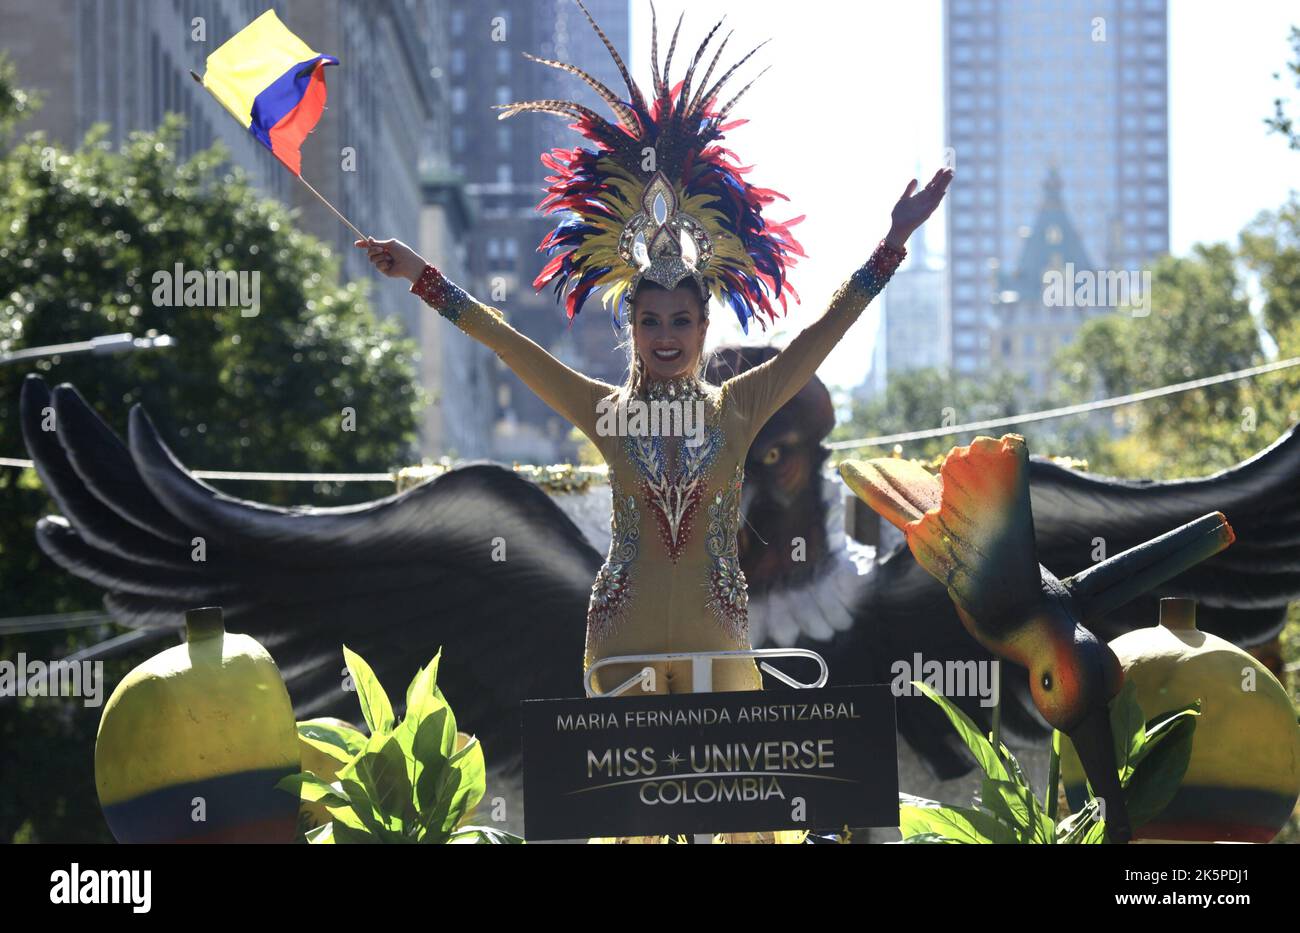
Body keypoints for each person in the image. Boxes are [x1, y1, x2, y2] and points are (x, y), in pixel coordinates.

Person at [356, 0, 950, 842]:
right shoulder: (605, 412)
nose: (667, 336)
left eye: (681, 322)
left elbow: (822, 335)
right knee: (633, 828)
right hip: (621, 646)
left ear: (705, 331)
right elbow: (506, 342)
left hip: (719, 640)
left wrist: (888, 249)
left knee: (740, 827)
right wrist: (425, 277)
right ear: (631, 328)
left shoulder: (739, 406)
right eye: (651, 322)